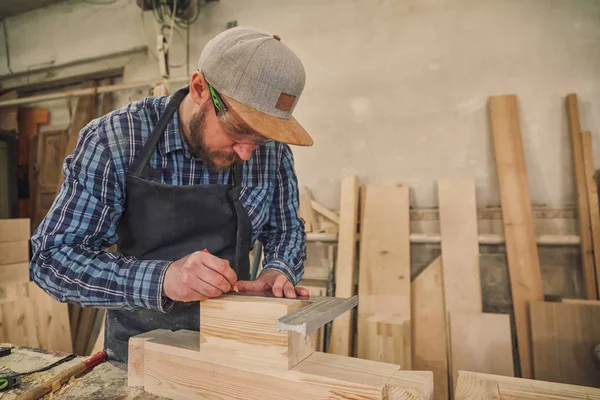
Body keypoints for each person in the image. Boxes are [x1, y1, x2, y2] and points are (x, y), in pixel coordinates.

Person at [29, 26, 313, 364]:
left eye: (262, 137)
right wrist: (163, 279)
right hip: (140, 352)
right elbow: (52, 258)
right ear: (199, 89)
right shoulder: (116, 140)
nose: (249, 152)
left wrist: (278, 270)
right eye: (238, 130)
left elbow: (285, 228)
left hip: (234, 348)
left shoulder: (271, 152)